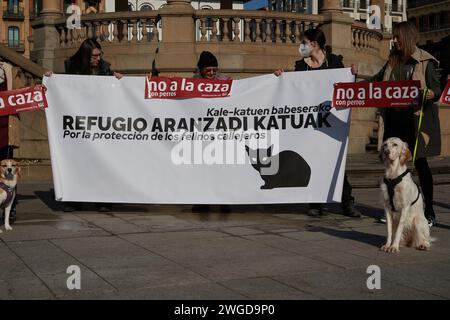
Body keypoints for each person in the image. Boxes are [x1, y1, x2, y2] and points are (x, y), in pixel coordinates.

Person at [275, 28, 361, 218]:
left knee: (337, 163)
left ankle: (347, 202)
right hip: (310, 124)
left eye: (304, 42)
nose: (301, 46)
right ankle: (315, 203)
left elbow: (347, 89)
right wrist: (281, 78)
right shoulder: (301, 66)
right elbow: (294, 89)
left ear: (314, 44)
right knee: (314, 160)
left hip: (332, 121)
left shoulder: (335, 62)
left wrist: (353, 74)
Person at [365, 22, 441, 227]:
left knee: (421, 165)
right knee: (392, 166)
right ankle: (393, 210)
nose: (394, 41)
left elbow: (437, 89)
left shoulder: (426, 61)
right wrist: (351, 79)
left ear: (407, 37)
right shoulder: (392, 61)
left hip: (416, 121)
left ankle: (429, 211)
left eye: (398, 37)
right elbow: (376, 81)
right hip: (395, 121)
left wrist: (431, 94)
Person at [46, 38, 122, 212]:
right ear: (85, 56)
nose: (98, 58)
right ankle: (74, 199)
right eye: (94, 56)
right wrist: (52, 78)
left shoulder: (104, 68)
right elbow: (63, 87)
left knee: (101, 162)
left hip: (99, 122)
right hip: (78, 122)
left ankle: (103, 200)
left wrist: (118, 79)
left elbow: (112, 88)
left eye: (99, 55)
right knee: (77, 162)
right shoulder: (72, 67)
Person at [192, 51, 231, 214]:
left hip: (221, 131)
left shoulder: (226, 82)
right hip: (201, 132)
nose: (212, 73)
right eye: (208, 70)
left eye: (215, 70)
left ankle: (224, 201)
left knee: (222, 168)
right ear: (201, 70)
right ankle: (203, 201)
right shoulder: (192, 83)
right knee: (202, 169)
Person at [0, 65, 18, 224]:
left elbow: (24, 94)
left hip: (6, 128)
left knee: (8, 168)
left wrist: (47, 76)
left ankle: (10, 206)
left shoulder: (8, 68)